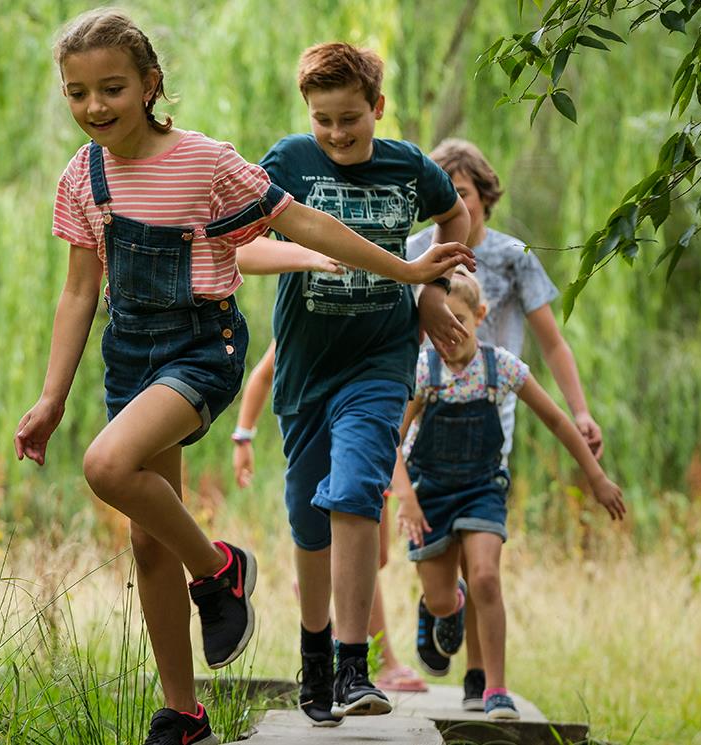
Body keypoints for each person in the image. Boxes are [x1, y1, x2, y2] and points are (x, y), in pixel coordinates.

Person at [12, 11, 474, 744]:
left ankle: (220, 568)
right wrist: (50, 396)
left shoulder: (204, 161)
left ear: (149, 84)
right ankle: (185, 713)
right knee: (145, 542)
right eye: (77, 93)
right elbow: (78, 291)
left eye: (112, 88)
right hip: (130, 354)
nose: (95, 107)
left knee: (107, 463)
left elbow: (307, 224)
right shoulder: (83, 175)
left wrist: (410, 272)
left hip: (202, 348)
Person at [248, 41, 473, 725]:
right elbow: (241, 244)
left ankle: (353, 664)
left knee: (352, 493)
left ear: (377, 108)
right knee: (308, 520)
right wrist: (307, 252)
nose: (338, 134)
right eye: (324, 120)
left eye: (351, 118)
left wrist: (432, 287)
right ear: (307, 114)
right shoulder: (288, 162)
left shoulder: (410, 167)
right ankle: (314, 657)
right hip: (306, 372)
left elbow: (453, 218)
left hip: (379, 363)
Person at [405, 138, 606, 708]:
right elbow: (400, 340)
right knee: (451, 566)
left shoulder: (513, 257)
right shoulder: (418, 251)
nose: (455, 209)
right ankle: (438, 605)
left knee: (483, 562)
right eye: (443, 197)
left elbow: (553, 341)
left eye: (462, 195)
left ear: (484, 199)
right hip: (430, 420)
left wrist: (581, 410)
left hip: (495, 419)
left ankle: (480, 679)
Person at [391, 270, 626, 720]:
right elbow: (392, 442)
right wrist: (405, 497)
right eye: (441, 323)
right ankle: (445, 605)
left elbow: (558, 421)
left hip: (482, 488)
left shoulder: (502, 367)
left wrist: (595, 477)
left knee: (486, 578)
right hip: (431, 494)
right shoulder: (423, 370)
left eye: (459, 320)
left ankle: (496, 688)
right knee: (443, 598)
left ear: (480, 316)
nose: (450, 333)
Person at [230, 341, 427, 693]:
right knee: (353, 548)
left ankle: (319, 584)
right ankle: (381, 661)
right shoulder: (309, 317)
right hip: (335, 451)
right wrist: (243, 438)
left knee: (377, 556)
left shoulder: (383, 313)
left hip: (369, 438)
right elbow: (262, 375)